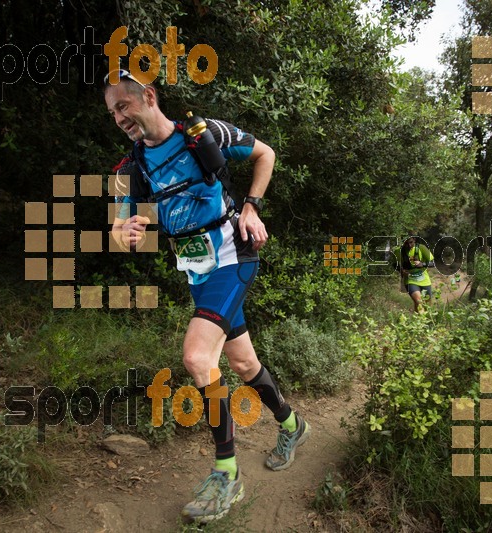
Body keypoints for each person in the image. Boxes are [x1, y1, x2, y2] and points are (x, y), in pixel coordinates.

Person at [104, 69, 310, 525]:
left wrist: (252, 206)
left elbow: (265, 154)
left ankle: (226, 473)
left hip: (234, 257)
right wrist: (128, 232)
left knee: (198, 358)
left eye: (125, 106)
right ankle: (294, 427)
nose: (119, 117)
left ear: (149, 97)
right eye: (113, 112)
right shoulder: (130, 168)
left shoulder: (204, 134)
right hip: (197, 271)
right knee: (243, 364)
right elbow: (118, 229)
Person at [395, 234, 435, 313]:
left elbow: (433, 263)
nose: (409, 245)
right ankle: (421, 323)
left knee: (427, 306)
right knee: (419, 302)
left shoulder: (422, 248)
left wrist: (422, 264)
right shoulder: (399, 251)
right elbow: (394, 264)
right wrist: (401, 271)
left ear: (414, 240)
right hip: (410, 281)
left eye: (411, 242)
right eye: (406, 243)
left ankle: (420, 321)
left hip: (424, 280)